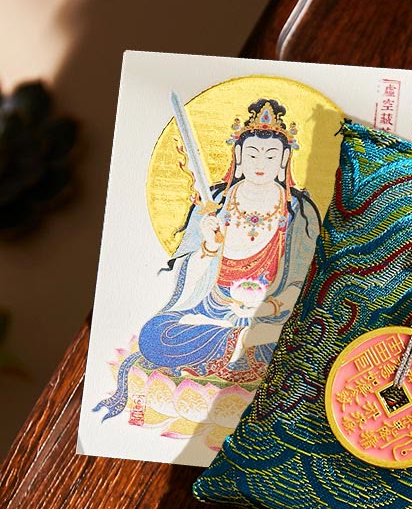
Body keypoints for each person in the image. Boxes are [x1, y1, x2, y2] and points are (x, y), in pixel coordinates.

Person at [95, 98, 320, 421]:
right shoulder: (214, 202)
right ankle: (241, 344)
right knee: (154, 337)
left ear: (285, 159)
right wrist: (209, 246)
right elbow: (183, 281)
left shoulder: (298, 212)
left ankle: (249, 342)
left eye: (271, 156)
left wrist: (269, 310)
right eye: (252, 154)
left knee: (300, 343)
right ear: (238, 157)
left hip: (269, 315)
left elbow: (305, 280)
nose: (261, 163)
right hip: (210, 313)